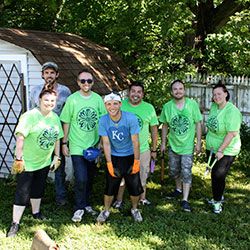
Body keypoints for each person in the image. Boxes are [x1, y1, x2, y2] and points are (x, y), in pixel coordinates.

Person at [6, 89, 63, 237]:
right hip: (27, 162)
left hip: (44, 161)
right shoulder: (29, 116)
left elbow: (57, 137)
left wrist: (57, 156)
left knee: (39, 187)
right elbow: (20, 137)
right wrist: (19, 159)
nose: (49, 103)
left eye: (52, 101)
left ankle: (36, 212)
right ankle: (15, 223)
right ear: (39, 100)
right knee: (22, 192)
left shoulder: (55, 117)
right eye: (46, 100)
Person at [60, 69, 106, 222]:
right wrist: (64, 142)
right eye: (83, 81)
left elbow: (103, 120)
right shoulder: (72, 99)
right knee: (81, 178)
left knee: (90, 177)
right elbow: (66, 121)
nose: (86, 83)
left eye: (89, 81)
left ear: (93, 82)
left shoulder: (98, 99)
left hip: (92, 146)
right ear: (78, 82)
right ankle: (78, 208)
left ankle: (86, 203)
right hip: (77, 145)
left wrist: (100, 142)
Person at [97, 92, 143, 223]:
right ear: (105, 105)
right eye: (109, 104)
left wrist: (137, 161)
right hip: (114, 155)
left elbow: (135, 141)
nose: (112, 107)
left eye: (115, 104)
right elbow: (105, 143)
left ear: (120, 104)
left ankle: (135, 209)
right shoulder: (103, 120)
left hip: (129, 155)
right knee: (110, 186)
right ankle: (106, 210)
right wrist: (109, 163)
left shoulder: (130, 118)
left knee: (134, 186)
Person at [30, 61, 71, 206]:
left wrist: (66, 137)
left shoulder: (65, 91)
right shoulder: (35, 91)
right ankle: (34, 197)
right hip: (39, 135)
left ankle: (61, 197)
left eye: (52, 72)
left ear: (57, 74)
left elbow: (68, 114)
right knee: (37, 167)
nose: (49, 75)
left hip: (57, 136)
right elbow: (31, 112)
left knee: (58, 166)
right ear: (42, 75)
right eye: (46, 72)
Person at [112, 81, 158, 208]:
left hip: (142, 149)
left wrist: (154, 149)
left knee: (143, 174)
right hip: (123, 150)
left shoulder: (149, 108)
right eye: (133, 91)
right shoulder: (121, 106)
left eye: (139, 92)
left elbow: (154, 130)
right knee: (121, 177)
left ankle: (142, 198)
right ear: (128, 93)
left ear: (143, 94)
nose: (136, 94)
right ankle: (119, 200)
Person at [160, 79, 202, 212]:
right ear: (172, 92)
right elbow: (165, 125)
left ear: (184, 90)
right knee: (174, 171)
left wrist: (198, 142)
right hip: (173, 145)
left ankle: (185, 199)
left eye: (180, 89)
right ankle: (178, 189)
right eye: (175, 89)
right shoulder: (167, 106)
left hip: (188, 146)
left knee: (186, 171)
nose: (178, 91)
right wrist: (163, 143)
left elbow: (198, 123)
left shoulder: (192, 104)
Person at [206, 82, 242, 214]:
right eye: (214, 94)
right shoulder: (214, 107)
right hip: (212, 148)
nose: (216, 97)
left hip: (226, 149)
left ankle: (217, 203)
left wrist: (220, 150)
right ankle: (218, 196)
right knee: (215, 175)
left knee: (218, 175)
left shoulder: (232, 111)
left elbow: (232, 133)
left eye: (219, 94)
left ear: (226, 94)